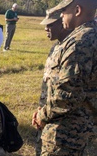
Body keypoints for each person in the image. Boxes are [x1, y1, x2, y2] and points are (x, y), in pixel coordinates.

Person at [32, 0, 97, 155]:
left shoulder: (80, 41)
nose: (60, 15)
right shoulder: (91, 35)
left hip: (68, 136)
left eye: (64, 10)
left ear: (77, 10)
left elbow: (67, 94)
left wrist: (42, 115)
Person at [33, 9, 72, 156]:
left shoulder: (72, 49)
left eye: (50, 25)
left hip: (59, 120)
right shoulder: (56, 47)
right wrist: (40, 111)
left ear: (61, 24)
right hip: (46, 112)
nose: (45, 28)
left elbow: (67, 92)